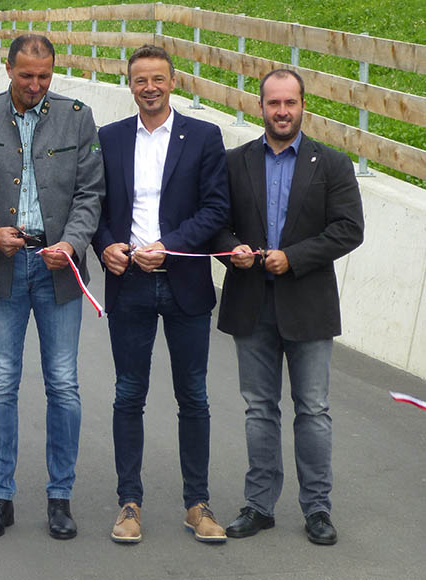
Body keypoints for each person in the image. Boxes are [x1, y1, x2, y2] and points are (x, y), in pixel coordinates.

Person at [0, 34, 104, 541]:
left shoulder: (78, 116)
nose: (36, 86)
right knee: (0, 384)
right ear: (8, 70)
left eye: (44, 77)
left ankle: (59, 498)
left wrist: (73, 243)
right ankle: (0, 498)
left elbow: (91, 192)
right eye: (26, 76)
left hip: (58, 267)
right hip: (2, 266)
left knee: (63, 384)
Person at [214, 69, 364, 546]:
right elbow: (214, 226)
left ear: (304, 106)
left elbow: (348, 229)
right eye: (273, 103)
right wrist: (232, 250)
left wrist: (293, 258)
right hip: (250, 301)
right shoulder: (234, 162)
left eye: (290, 103)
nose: (282, 111)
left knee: (313, 410)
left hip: (309, 304)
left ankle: (317, 509)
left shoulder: (333, 165)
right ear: (260, 106)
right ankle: (259, 506)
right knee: (259, 410)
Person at [91, 44, 230, 544]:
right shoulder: (107, 138)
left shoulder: (204, 137)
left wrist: (168, 247)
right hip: (128, 282)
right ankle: (130, 504)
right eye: (140, 80)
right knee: (129, 394)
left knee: (192, 395)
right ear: (129, 85)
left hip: (184, 282)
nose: (149, 87)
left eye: (158, 79)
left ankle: (198, 504)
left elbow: (216, 210)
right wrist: (106, 245)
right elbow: (96, 207)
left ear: (174, 82)